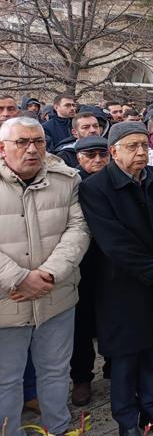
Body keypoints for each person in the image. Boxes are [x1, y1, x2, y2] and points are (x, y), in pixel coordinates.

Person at [79, 122, 153, 436]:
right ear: (113, 152)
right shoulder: (95, 188)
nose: (141, 152)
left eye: (144, 145)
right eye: (132, 146)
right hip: (123, 289)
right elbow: (113, 243)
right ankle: (127, 421)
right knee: (125, 361)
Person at [0, 117, 90, 436]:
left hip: (56, 297)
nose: (32, 149)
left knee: (54, 372)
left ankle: (59, 429)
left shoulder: (66, 179)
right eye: (22, 142)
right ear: (2, 148)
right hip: (7, 303)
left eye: (38, 142)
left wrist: (49, 274)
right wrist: (19, 277)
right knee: (6, 379)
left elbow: (78, 229)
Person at [70, 137, 111, 407]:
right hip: (82, 265)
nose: (97, 160)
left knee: (112, 319)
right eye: (90, 155)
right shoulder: (72, 186)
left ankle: (114, 365)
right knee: (81, 326)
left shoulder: (114, 182)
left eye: (102, 154)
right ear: (78, 159)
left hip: (112, 264)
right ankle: (82, 377)